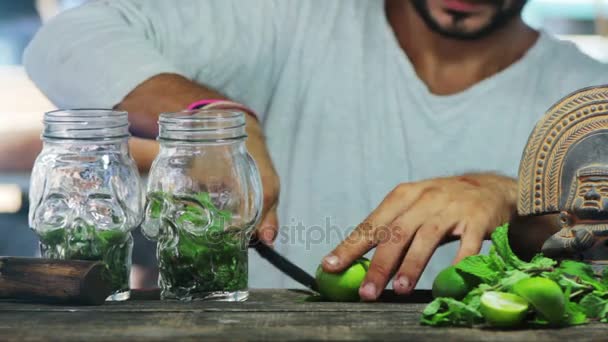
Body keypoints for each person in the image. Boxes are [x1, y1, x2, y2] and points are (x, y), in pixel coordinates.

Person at [24, 0, 608, 300]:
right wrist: (218, 120)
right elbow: (69, 40)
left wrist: (510, 197)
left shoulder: (585, 95)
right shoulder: (295, 18)